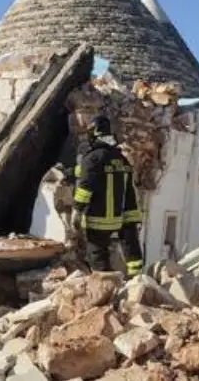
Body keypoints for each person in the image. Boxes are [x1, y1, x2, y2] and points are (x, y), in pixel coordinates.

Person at [71, 115, 145, 277]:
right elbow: (128, 190)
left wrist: (77, 211)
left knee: (97, 256)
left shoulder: (92, 158)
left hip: (97, 219)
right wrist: (131, 219)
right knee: (129, 248)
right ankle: (136, 279)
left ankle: (105, 288)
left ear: (94, 133)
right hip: (119, 218)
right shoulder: (121, 159)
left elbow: (85, 188)